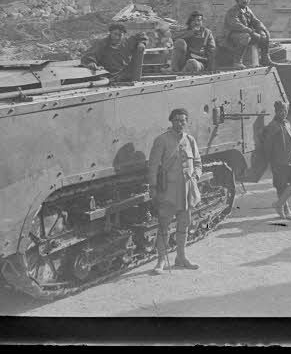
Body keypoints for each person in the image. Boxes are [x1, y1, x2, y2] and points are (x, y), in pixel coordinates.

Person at [147, 108, 202, 274]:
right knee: (164, 226)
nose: (180, 123)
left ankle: (181, 257)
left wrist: (196, 177)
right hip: (168, 191)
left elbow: (198, 163)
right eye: (177, 120)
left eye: (183, 120)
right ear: (171, 121)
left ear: (187, 122)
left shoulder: (190, 140)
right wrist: (153, 187)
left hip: (186, 191)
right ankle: (161, 261)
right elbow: (153, 167)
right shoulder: (161, 140)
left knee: (184, 225)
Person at [261, 101, 291, 220]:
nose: (284, 113)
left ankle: (278, 204)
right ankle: (285, 209)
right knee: (281, 186)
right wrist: (271, 161)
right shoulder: (272, 126)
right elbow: (267, 146)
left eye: (285, 110)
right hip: (279, 162)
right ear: (276, 112)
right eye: (281, 111)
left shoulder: (287, 123)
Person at [222, 0, 273, 68]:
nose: (245, 1)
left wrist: (263, 29)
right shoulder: (233, 10)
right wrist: (251, 31)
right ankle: (237, 62)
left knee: (264, 34)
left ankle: (265, 59)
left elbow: (255, 21)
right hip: (231, 35)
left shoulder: (247, 10)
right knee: (245, 36)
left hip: (246, 33)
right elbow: (235, 24)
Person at [81, 22, 147, 81]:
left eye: (120, 35)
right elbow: (89, 55)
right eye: (115, 34)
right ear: (110, 33)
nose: (117, 37)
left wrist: (141, 43)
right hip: (108, 75)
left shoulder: (128, 42)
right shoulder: (102, 43)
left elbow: (141, 36)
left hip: (125, 75)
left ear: (124, 35)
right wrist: (91, 63)